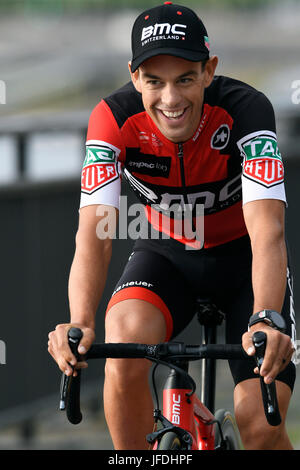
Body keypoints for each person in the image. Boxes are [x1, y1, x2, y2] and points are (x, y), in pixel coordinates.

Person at [48, 2, 296, 450]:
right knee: (121, 347)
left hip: (245, 262)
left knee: (259, 425)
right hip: (166, 255)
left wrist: (266, 318)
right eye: (154, 81)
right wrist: (80, 321)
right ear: (134, 75)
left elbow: (267, 231)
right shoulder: (113, 119)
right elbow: (95, 233)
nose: (171, 99)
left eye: (185, 78)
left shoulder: (248, 111)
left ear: (208, 71)